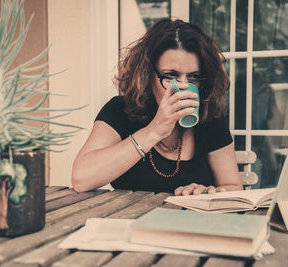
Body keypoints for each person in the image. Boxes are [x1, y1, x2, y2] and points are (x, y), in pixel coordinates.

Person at [72, 18, 242, 195]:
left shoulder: (209, 116)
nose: (183, 85)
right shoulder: (120, 110)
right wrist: (154, 131)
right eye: (170, 75)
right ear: (147, 75)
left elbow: (233, 187)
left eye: (193, 77)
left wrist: (207, 192)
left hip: (191, 220)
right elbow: (81, 178)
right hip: (129, 219)